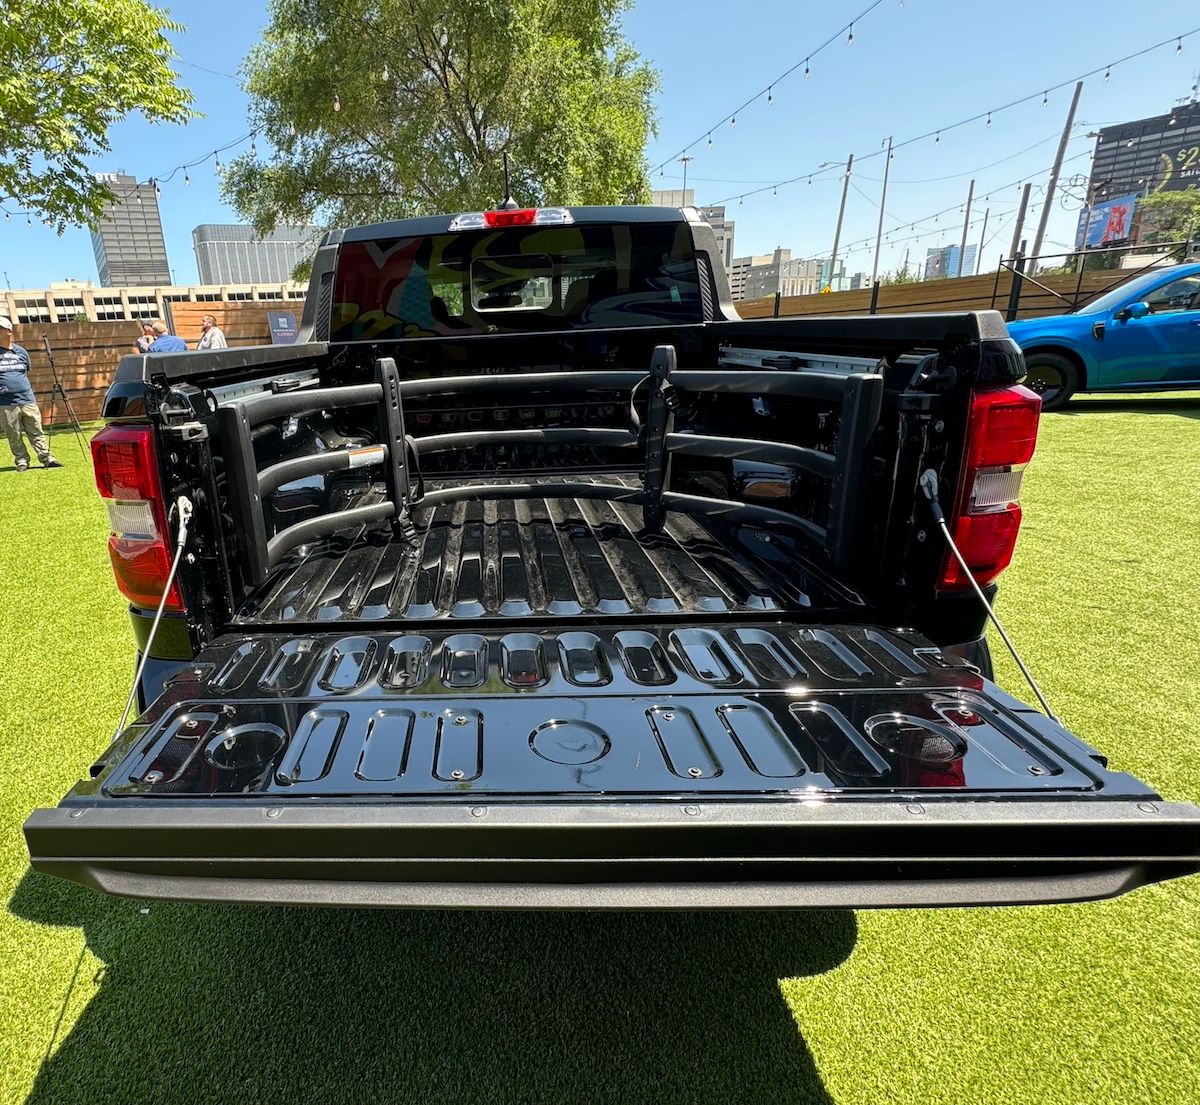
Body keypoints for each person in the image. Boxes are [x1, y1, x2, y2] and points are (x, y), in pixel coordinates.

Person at [0, 316, 61, 471]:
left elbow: (26, 370)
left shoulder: (21, 352)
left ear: (9, 331)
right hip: (5, 403)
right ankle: (22, 461)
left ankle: (47, 458)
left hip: (27, 399)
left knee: (36, 430)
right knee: (14, 434)